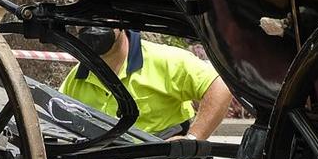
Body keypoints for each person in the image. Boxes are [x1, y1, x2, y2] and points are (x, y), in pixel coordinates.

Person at [61, 27, 232, 141]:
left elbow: (219, 86)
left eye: (100, 18)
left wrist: (193, 139)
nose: (92, 28)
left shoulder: (163, 60)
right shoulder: (77, 77)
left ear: (121, 22)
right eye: (84, 20)